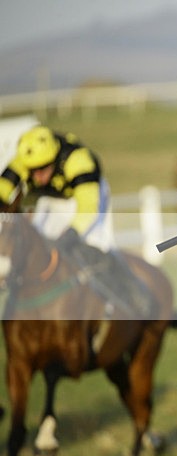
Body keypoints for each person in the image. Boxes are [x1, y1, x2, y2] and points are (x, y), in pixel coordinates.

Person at [0, 125, 152, 317]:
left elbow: (87, 208)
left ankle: (134, 295)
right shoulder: (24, 159)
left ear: (54, 159)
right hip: (53, 200)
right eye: (33, 171)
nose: (38, 177)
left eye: (43, 169)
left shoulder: (79, 161)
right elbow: (2, 190)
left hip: (89, 198)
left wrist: (70, 234)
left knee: (96, 246)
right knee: (36, 246)